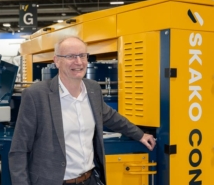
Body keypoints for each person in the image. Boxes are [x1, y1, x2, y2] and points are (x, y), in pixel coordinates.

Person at [9, 36, 156, 185]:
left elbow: (110, 116)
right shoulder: (37, 95)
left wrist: (139, 134)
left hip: (89, 179)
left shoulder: (93, 89)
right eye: (71, 56)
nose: (78, 62)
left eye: (82, 55)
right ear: (56, 61)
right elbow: (19, 150)